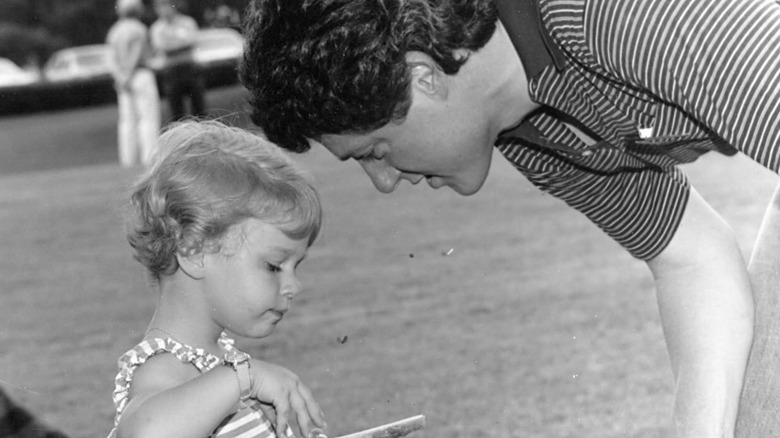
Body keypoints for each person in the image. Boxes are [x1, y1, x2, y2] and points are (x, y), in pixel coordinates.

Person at [239, 0, 780, 436]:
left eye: (374, 150)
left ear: (421, 78)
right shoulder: (527, 130)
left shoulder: (608, 16)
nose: (384, 181)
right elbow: (690, 258)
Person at [107, 120, 327, 438]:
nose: (294, 286)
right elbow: (145, 433)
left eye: (297, 266)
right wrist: (242, 379)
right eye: (274, 266)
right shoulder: (167, 368)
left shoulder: (220, 365)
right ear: (195, 252)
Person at [106, 0, 161, 167]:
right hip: (140, 75)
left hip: (122, 79)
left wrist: (120, 78)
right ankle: (148, 157)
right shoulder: (139, 28)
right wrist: (128, 76)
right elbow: (136, 55)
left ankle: (127, 159)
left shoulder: (114, 31)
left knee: (126, 120)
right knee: (148, 117)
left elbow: (110, 59)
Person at [150, 0, 206, 121]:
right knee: (176, 110)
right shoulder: (156, 27)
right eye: (158, 7)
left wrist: (170, 42)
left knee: (199, 107)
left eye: (164, 5)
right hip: (171, 71)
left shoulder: (187, 22)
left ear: (172, 6)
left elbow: (192, 40)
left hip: (190, 67)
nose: (162, 9)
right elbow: (160, 46)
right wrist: (179, 43)